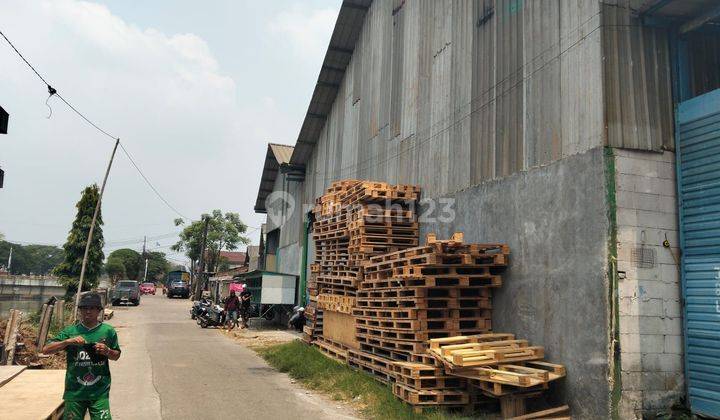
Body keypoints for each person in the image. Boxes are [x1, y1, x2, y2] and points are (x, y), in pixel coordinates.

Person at [42, 292, 121, 420]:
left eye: (92, 308)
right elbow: (45, 350)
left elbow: (116, 356)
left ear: (99, 311)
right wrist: (67, 342)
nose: (88, 312)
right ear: (80, 311)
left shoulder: (108, 331)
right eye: (84, 308)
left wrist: (107, 351)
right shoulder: (70, 331)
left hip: (99, 391)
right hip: (74, 392)